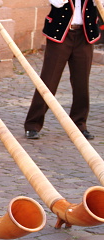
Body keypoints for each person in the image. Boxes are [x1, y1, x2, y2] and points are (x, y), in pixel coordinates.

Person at [24, 0, 100, 140]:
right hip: (61, 34)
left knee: (81, 83)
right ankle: (32, 125)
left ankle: (79, 125)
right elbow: (58, 2)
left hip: (85, 35)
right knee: (48, 81)